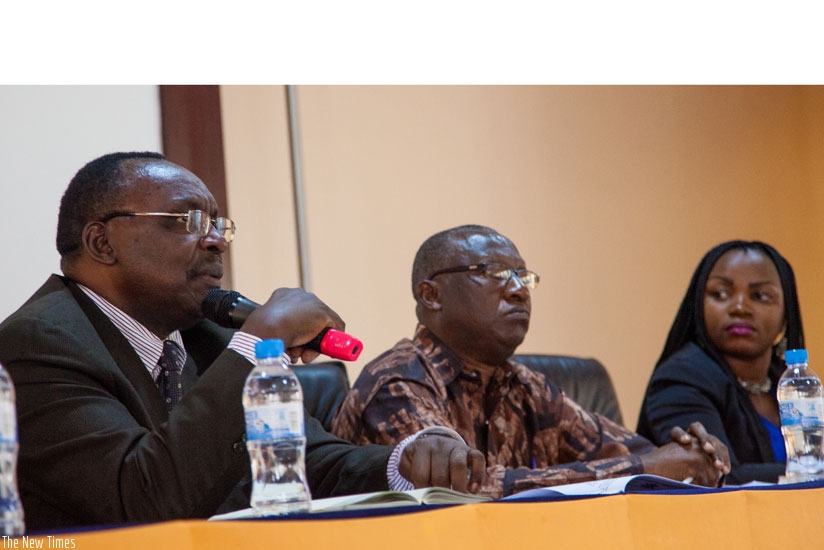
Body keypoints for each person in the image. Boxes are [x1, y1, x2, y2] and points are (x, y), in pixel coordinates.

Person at [0, 152, 484, 531]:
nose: (215, 241)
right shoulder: (36, 345)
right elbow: (141, 501)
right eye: (185, 222)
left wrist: (411, 462)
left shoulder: (205, 339)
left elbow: (311, 460)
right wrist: (259, 341)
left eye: (217, 225)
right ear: (102, 243)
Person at [331, 224, 730, 499]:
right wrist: (650, 467)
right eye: (496, 273)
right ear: (431, 295)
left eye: (524, 277)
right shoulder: (397, 382)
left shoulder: (523, 384)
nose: (520, 291)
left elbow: (628, 450)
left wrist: (692, 454)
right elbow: (465, 490)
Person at [636, 240, 803, 484]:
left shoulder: (789, 381)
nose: (739, 307)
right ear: (698, 306)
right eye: (721, 294)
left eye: (760, 296)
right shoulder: (679, 381)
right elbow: (716, 475)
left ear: (786, 316)